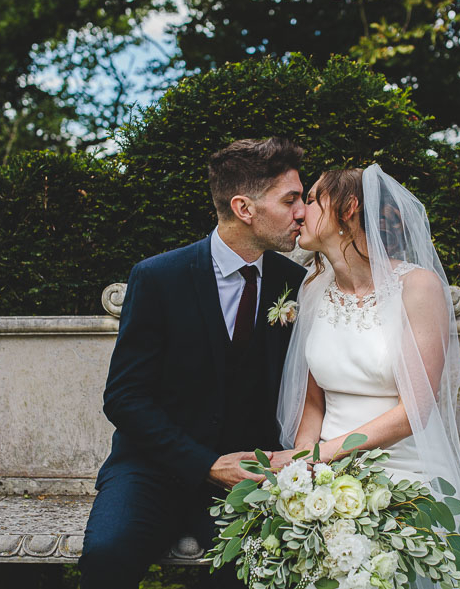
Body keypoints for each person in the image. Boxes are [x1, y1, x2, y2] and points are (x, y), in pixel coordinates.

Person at [79, 138, 308, 589]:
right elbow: (124, 398)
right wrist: (204, 462)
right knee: (107, 555)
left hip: (248, 474)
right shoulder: (159, 277)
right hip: (151, 468)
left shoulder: (296, 283)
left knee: (258, 571)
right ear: (244, 208)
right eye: (290, 199)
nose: (302, 211)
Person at [276, 164, 460, 588]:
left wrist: (326, 454)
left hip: (404, 469)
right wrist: (303, 466)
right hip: (327, 468)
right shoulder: (312, 289)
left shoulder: (418, 288)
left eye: (313, 200)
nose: (299, 213)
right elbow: (313, 401)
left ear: (348, 209)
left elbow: (416, 409)